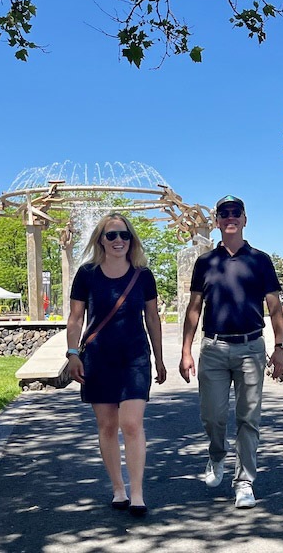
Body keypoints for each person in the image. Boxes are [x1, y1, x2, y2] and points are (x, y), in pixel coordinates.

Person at [179, 195, 283, 509]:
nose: (230, 217)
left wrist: (279, 347)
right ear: (216, 221)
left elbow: (275, 308)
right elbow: (194, 308)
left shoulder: (260, 260)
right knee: (212, 416)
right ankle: (216, 455)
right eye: (224, 213)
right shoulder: (205, 262)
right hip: (213, 348)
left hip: (251, 348)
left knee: (248, 419)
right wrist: (186, 350)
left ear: (244, 219)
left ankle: (244, 483)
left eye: (235, 212)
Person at [65, 213, 166, 517]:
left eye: (124, 235)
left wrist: (160, 358)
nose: (118, 240)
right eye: (111, 235)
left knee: (131, 424)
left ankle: (137, 493)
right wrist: (72, 353)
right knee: (107, 426)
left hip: (135, 357)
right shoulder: (87, 274)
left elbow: (152, 318)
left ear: (131, 240)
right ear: (100, 240)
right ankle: (118, 488)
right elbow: (76, 318)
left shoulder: (143, 275)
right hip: (98, 358)